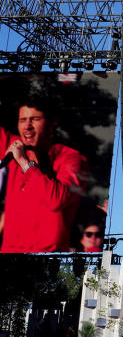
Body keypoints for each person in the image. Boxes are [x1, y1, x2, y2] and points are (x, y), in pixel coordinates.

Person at [1, 95, 88, 252]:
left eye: (35, 119)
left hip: (46, 261)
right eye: (22, 120)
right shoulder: (13, 146)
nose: (27, 126)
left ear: (52, 122)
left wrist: (25, 163)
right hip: (10, 260)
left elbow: (56, 201)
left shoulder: (71, 159)